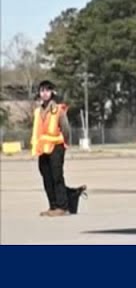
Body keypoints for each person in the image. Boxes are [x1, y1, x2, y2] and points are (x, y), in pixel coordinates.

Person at [30, 80, 87, 216]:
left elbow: (66, 129)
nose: (44, 93)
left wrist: (64, 143)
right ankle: (54, 205)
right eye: (42, 90)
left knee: (57, 177)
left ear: (52, 93)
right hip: (43, 148)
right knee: (47, 177)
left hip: (56, 146)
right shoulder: (38, 111)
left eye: (47, 90)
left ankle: (63, 207)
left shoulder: (57, 110)